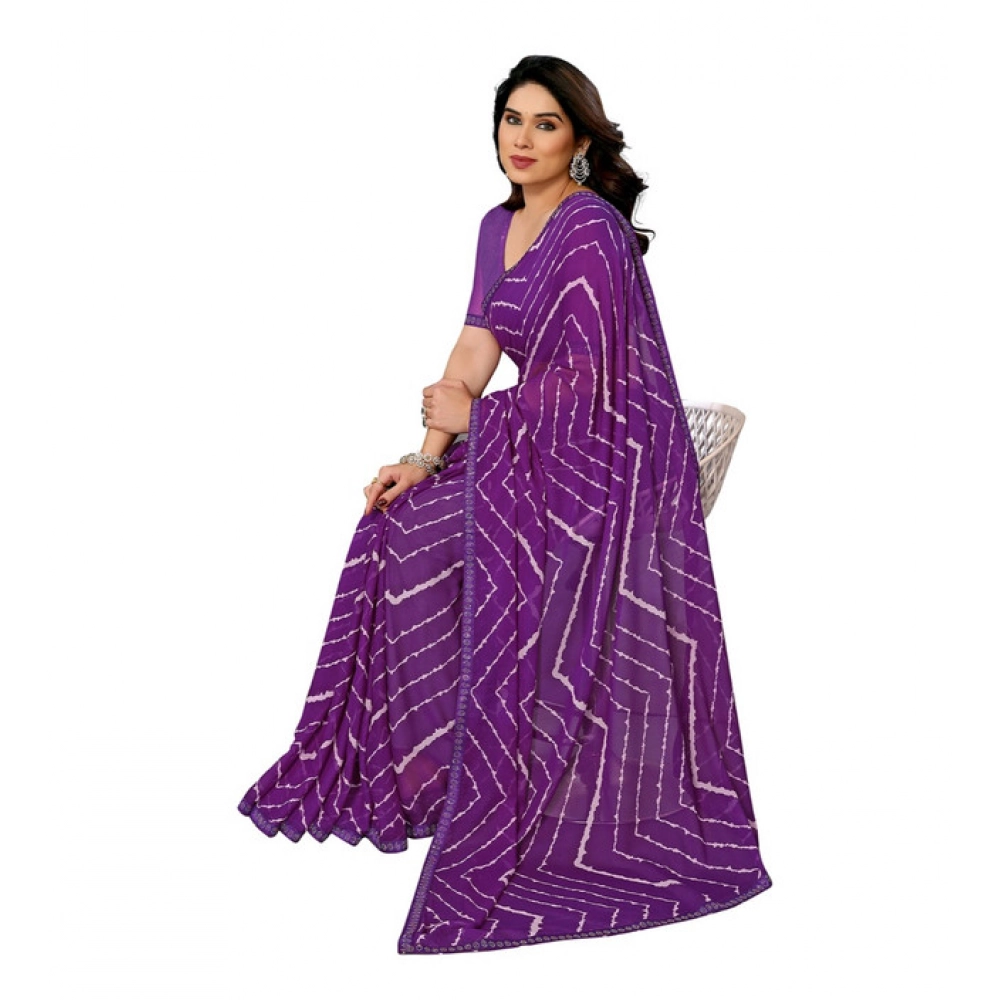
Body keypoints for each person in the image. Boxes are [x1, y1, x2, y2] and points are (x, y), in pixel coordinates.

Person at [238, 54, 771, 955]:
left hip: (604, 460)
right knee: (397, 525)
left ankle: (511, 775)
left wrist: (477, 419)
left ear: (580, 139)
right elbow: (474, 346)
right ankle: (437, 769)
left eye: (544, 124)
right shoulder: (498, 225)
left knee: (449, 548)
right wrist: (424, 454)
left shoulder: (591, 229)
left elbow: (598, 385)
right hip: (529, 448)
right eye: (511, 120)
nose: (522, 140)